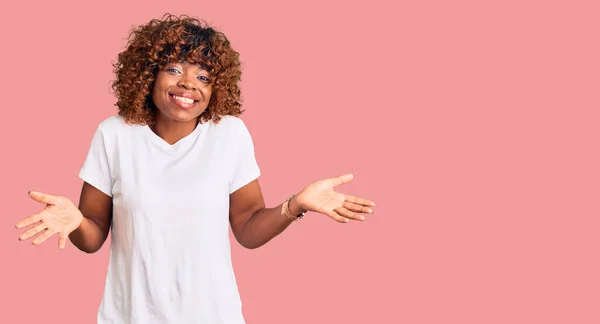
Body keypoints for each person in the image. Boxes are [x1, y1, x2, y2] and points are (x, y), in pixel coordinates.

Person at [15, 13, 376, 324]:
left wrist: (295, 205)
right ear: (148, 75)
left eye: (203, 76)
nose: (188, 83)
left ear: (216, 87)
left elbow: (248, 230)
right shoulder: (114, 135)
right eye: (174, 69)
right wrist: (76, 221)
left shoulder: (229, 135)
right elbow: (93, 238)